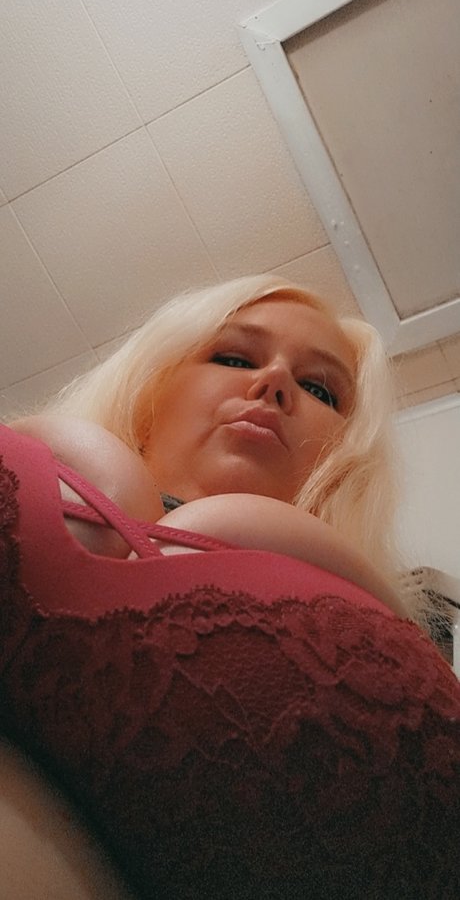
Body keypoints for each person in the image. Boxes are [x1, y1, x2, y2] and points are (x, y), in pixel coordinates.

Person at [0, 274, 459, 899]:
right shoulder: (41, 462)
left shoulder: (413, 623)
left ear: (344, 458)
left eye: (319, 389)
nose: (274, 383)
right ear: (151, 388)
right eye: (235, 358)